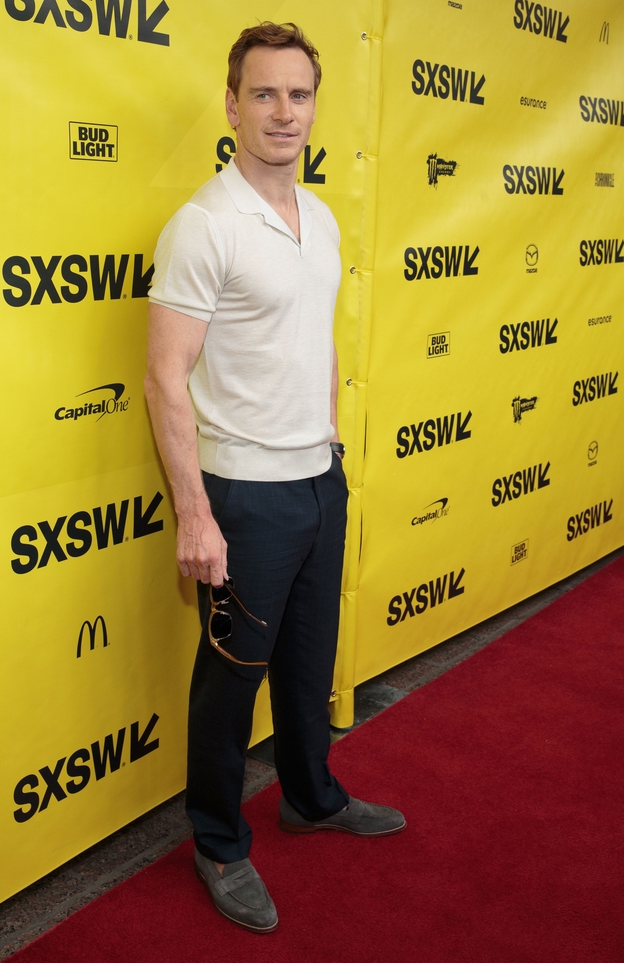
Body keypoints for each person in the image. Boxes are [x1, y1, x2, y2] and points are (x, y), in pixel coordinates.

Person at [144, 21, 405, 934]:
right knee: (230, 681)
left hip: (316, 481)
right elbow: (164, 374)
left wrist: (330, 444)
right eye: (264, 93)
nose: (283, 111)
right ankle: (218, 840)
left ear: (313, 107)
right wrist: (195, 513)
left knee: (305, 663)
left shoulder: (323, 215)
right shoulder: (204, 224)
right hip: (242, 495)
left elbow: (318, 334)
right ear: (232, 104)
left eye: (298, 94)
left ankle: (312, 796)